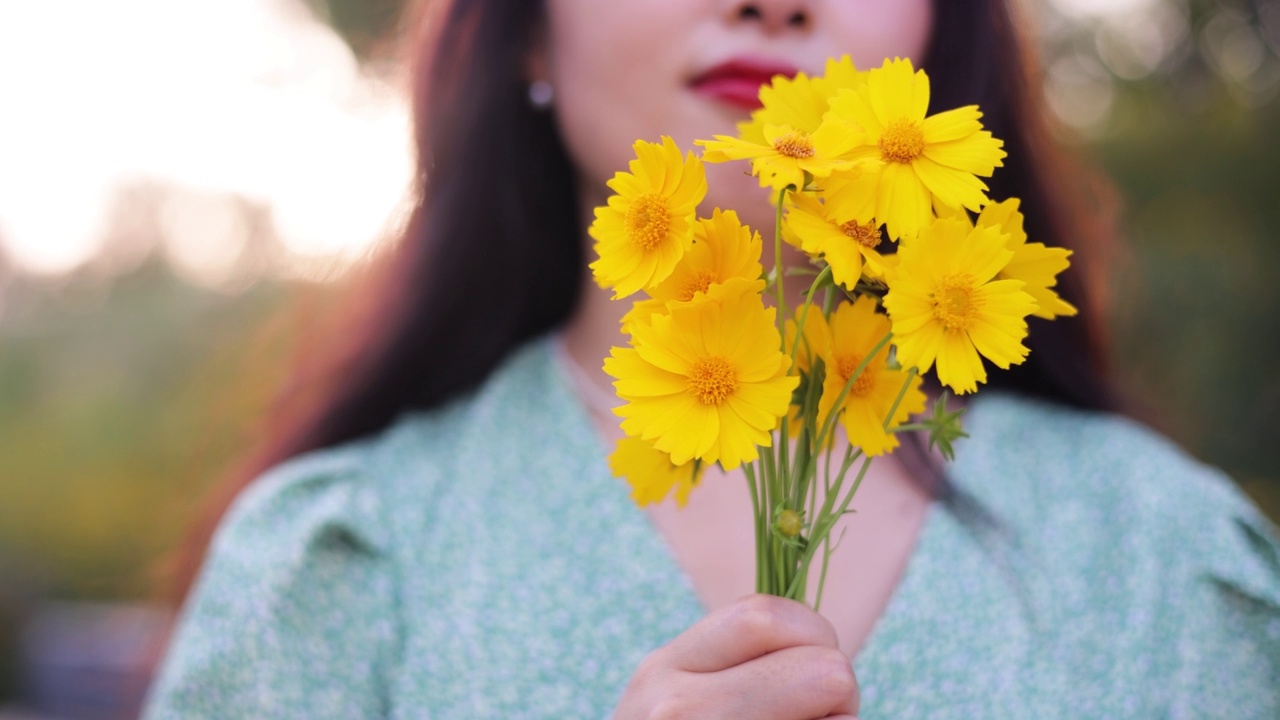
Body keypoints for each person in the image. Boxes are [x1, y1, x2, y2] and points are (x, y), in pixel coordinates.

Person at [143, 0, 1280, 717]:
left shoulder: (1165, 559)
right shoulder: (334, 557)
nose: (768, 5)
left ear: (940, 32)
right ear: (529, 27)